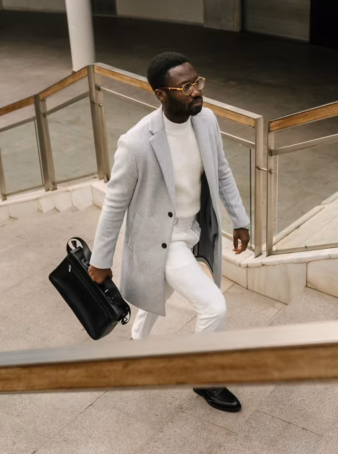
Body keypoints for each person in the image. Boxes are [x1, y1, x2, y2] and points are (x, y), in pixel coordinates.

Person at [88, 52, 250, 413]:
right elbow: (114, 205)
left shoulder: (206, 121)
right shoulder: (136, 143)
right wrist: (100, 262)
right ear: (162, 94)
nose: (196, 92)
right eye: (186, 86)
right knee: (213, 305)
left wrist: (240, 220)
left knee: (153, 295)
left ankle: (135, 348)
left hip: (194, 228)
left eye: (197, 82)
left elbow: (221, 171)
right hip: (163, 240)